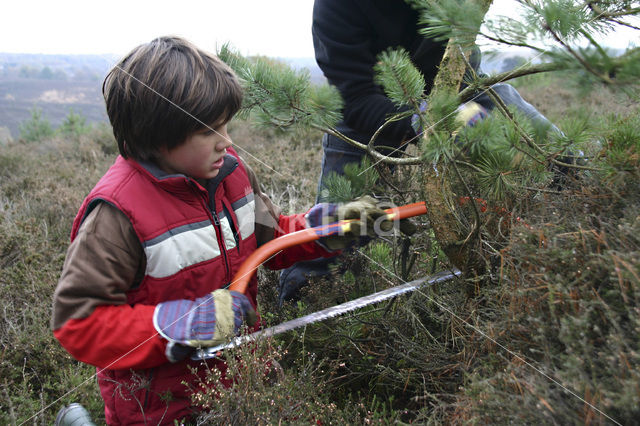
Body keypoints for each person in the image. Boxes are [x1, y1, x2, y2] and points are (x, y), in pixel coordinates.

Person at [51, 36, 396, 425]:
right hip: (161, 406)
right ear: (159, 134)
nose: (227, 141)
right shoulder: (115, 215)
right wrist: (179, 325)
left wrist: (331, 227)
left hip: (244, 377)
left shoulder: (231, 172)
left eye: (226, 125)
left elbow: (271, 240)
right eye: (209, 131)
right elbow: (77, 323)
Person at [278, 0, 559, 303]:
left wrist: (459, 112)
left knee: (554, 154)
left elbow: (464, 50)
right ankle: (300, 310)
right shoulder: (335, 8)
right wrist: (423, 120)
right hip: (369, 107)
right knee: (335, 228)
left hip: (457, 87)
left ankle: (585, 213)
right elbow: (356, 98)